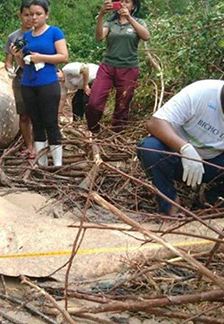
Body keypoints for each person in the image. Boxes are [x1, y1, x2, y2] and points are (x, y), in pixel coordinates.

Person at [137, 80, 224, 215]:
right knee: (150, 148)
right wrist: (185, 149)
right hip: (177, 157)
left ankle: (210, 202)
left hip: (213, 164)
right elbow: (155, 123)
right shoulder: (201, 93)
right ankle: (170, 204)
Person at [11, 0, 68, 167]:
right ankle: (41, 162)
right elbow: (23, 65)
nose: (34, 18)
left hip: (48, 82)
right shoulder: (27, 37)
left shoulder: (54, 33)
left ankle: (57, 163)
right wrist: (17, 55)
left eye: (38, 14)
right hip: (28, 83)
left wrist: (41, 57)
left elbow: (63, 56)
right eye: (31, 14)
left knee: (50, 121)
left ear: (46, 14)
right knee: (36, 122)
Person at [86, 0, 150, 133]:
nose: (124, 4)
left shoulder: (138, 22)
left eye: (127, 2)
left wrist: (129, 18)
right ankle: (93, 131)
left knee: (122, 105)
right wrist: (101, 15)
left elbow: (146, 36)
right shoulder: (111, 22)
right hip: (108, 67)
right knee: (94, 102)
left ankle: (116, 136)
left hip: (129, 68)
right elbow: (99, 37)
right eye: (121, 1)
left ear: (133, 6)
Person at [4, 0, 34, 158]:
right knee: (24, 114)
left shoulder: (41, 34)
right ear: (20, 15)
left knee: (39, 113)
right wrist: (10, 69)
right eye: (26, 15)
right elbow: (8, 62)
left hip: (38, 77)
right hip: (21, 78)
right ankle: (29, 146)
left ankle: (39, 144)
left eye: (33, 15)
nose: (30, 19)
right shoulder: (13, 37)